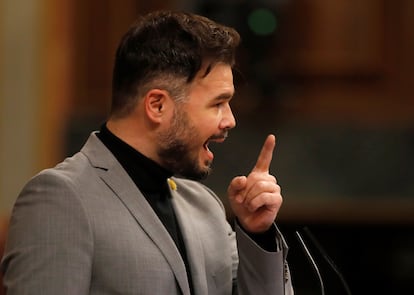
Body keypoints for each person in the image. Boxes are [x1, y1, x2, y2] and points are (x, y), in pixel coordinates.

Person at [1, 10, 293, 295]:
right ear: (157, 106)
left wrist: (258, 235)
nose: (230, 120)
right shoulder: (60, 198)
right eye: (218, 103)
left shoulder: (205, 207)